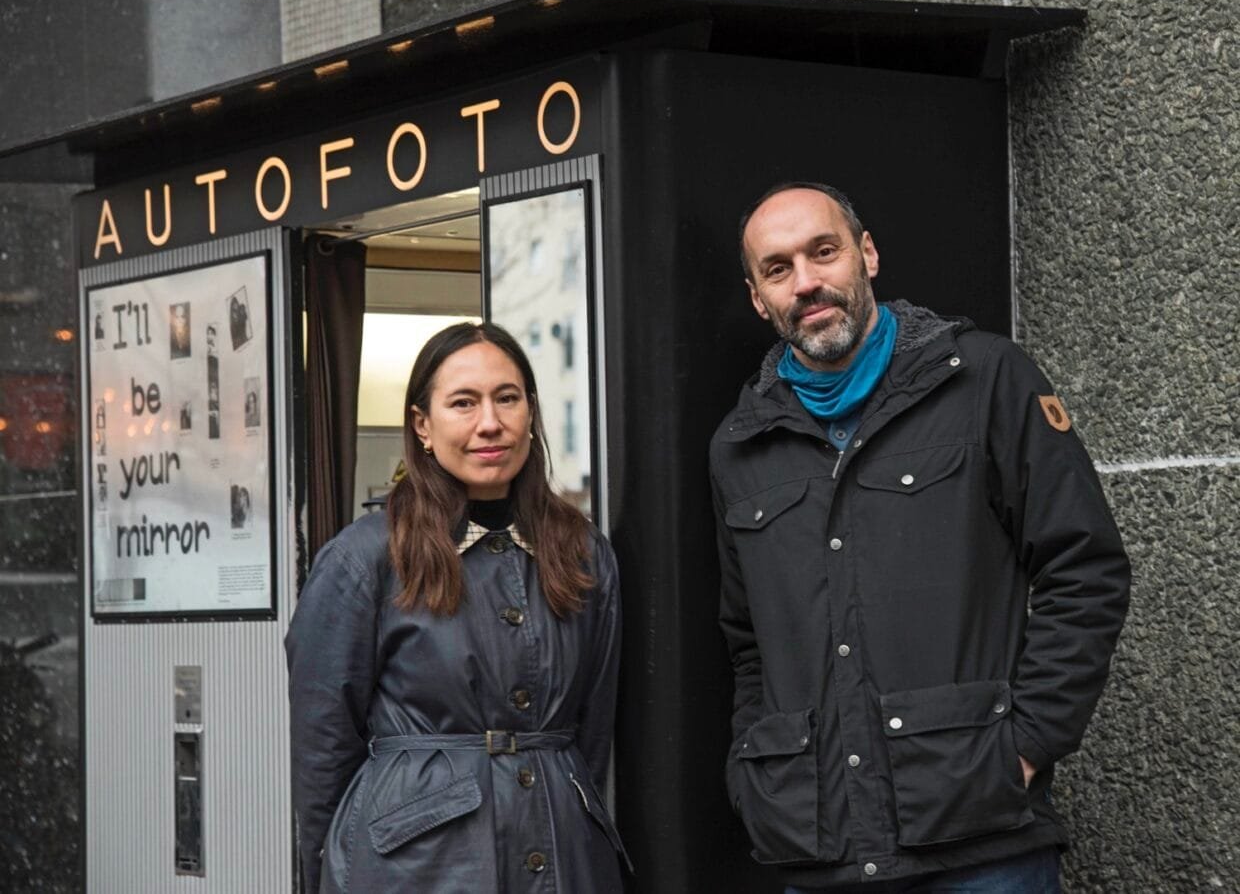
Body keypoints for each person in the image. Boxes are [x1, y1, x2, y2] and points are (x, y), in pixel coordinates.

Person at [710, 183, 1130, 893]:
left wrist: (1024, 747)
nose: (806, 281)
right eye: (778, 268)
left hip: (981, 843)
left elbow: (1085, 569)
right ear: (758, 298)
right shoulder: (739, 445)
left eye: (823, 251)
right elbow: (749, 640)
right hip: (820, 850)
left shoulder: (986, 379)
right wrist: (754, 772)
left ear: (867, 255)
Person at [286, 322, 628, 893]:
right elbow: (323, 750)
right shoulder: (363, 558)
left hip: (563, 852)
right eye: (463, 403)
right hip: (413, 868)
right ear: (422, 424)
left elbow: (591, 734)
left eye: (507, 398)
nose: (489, 422)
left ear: (531, 412)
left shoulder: (581, 551)